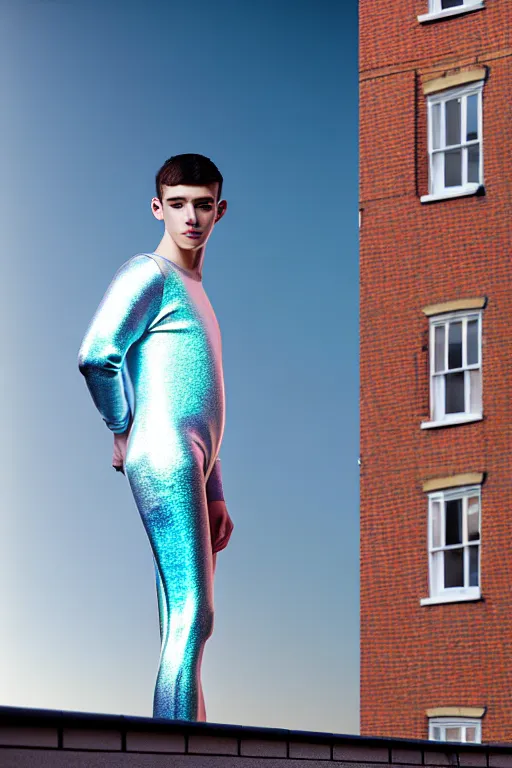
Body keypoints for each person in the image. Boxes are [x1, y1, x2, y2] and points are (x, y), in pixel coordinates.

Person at [77, 153, 234, 722]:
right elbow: (98, 355)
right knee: (195, 613)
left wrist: (215, 490)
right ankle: (177, 753)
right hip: (164, 452)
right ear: (157, 209)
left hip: (192, 457)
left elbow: (203, 403)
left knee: (183, 616)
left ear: (220, 210)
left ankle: (191, 738)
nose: (190, 216)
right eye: (177, 204)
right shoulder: (150, 274)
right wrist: (121, 428)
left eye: (201, 204)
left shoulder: (196, 291)